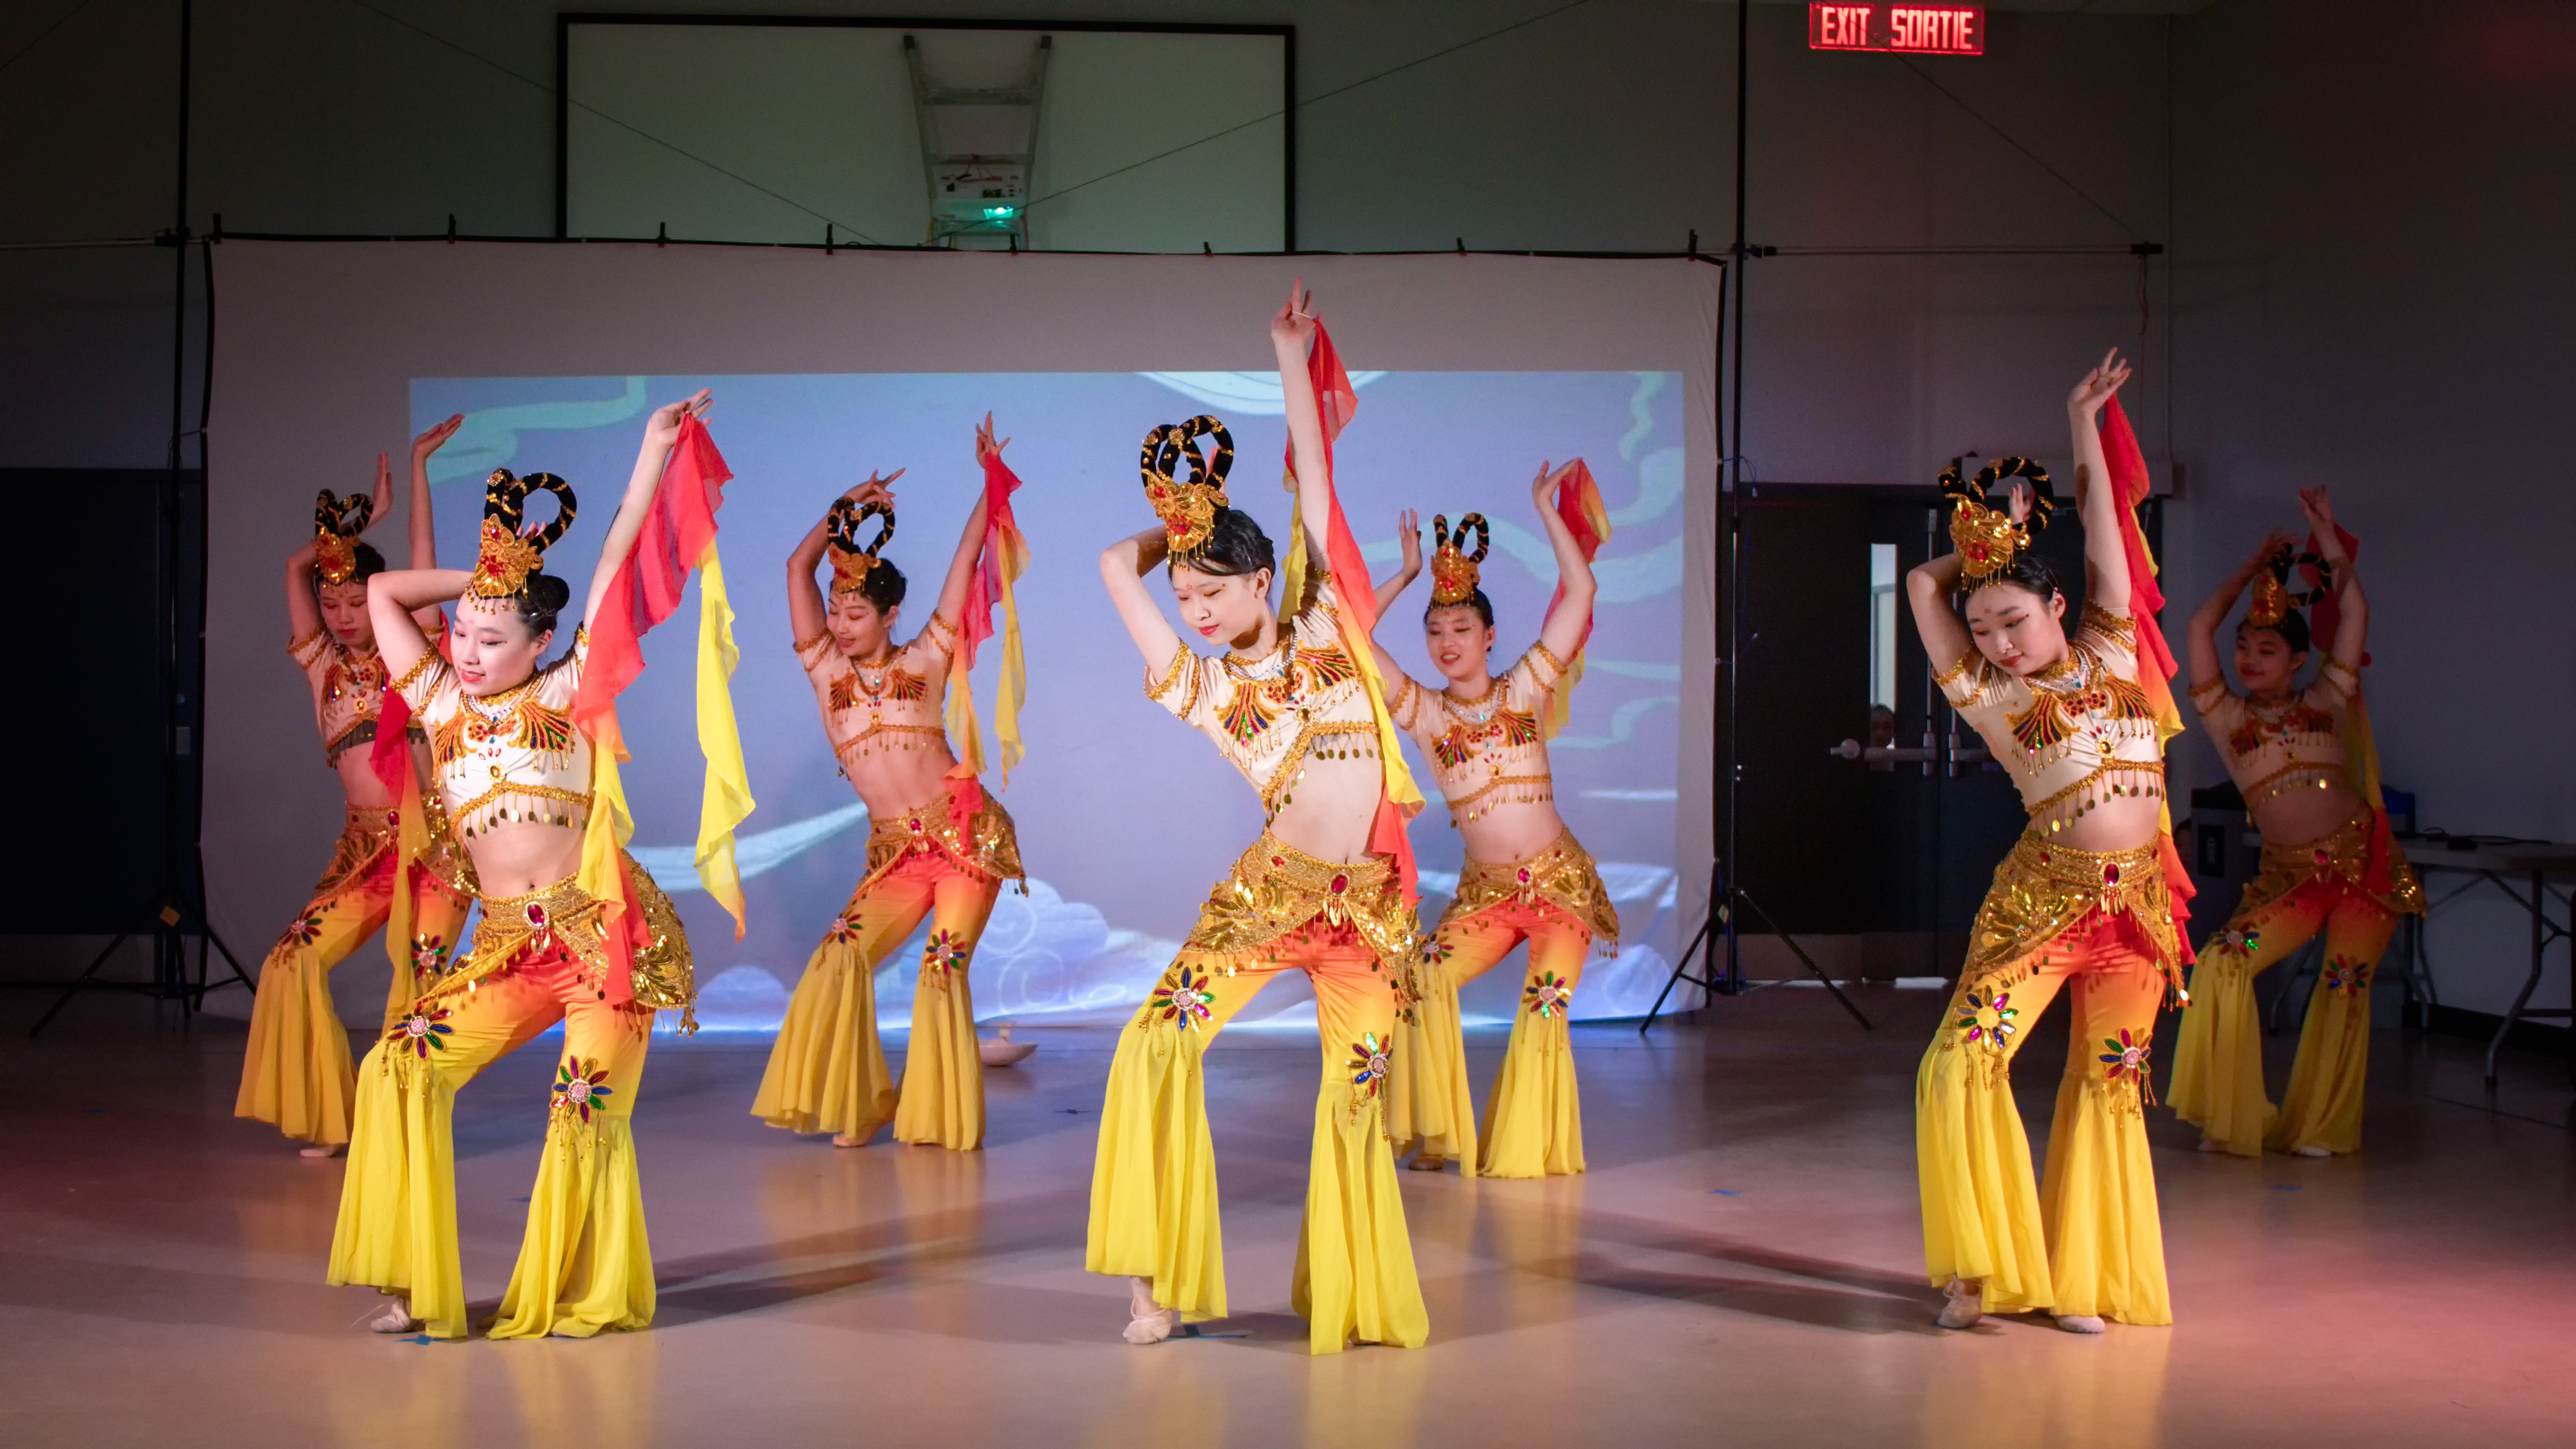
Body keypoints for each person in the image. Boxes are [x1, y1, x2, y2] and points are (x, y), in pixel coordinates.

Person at [1086, 282, 1428, 1354]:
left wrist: (1288, 357)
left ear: (1262, 578)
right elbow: (1108, 567)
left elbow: (1317, 478)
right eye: (1185, 594)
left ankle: (1351, 1293)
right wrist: (1184, 523)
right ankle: (1155, 1284)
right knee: (1151, 1043)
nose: (1194, 609)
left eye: (1213, 589)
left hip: (1366, 911)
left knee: (1356, 1100)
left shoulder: (1328, 617)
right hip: (1270, 895)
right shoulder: (1197, 685)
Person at [326, 394, 713, 1339]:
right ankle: (412, 1277)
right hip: (505, 947)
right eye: (459, 631)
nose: (466, 650)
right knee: (396, 1068)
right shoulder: (437, 698)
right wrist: (495, 576)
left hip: (600, 941)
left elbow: (618, 559)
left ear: (541, 642)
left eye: (492, 638)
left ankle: (580, 1289)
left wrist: (652, 453)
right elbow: (382, 598)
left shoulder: (572, 684)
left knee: (578, 1109)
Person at [1905, 351, 2184, 1334]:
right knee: (1957, 1061)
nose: (1998, 640)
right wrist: (1976, 550)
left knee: (2110, 1081)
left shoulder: (2112, 644)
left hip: (2134, 910)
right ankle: (1977, 1269)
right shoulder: (1991, 697)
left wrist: (2079, 426)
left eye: (2014, 618)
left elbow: (2109, 522)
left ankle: (2080, 1276)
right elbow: (1915, 585)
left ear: (2055, 604)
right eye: (1982, 626)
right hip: (2042, 902)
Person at [751, 417, 1027, 1151]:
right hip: (898, 855)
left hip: (965, 837)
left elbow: (969, 556)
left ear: (889, 614)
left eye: (855, 612)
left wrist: (988, 481)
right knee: (839, 956)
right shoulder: (826, 672)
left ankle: (938, 1122)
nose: (840, 624)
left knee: (942, 971)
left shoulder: (927, 656)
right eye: (835, 611)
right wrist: (840, 510)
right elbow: (792, 569)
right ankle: (865, 1101)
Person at [237, 420, 475, 1157]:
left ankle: (405, 1126)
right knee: (291, 961)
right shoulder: (321, 667)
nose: (342, 616)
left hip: (429, 844)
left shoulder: (415, 651)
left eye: (355, 602)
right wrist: (356, 526)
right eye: (332, 602)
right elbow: (290, 568)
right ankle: (331, 1113)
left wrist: (417, 469)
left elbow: (427, 563)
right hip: (363, 850)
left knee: (421, 980)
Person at [1365, 483, 1617, 1178]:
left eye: (1462, 630)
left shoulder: (1526, 687)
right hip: (1487, 897)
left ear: (1489, 635)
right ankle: (1436, 1130)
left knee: (1543, 1011)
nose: (1447, 643)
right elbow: (1351, 636)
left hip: (1560, 889)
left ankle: (1523, 1149)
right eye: (1435, 631)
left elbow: (1581, 591)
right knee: (1420, 975)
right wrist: (1408, 573)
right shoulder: (1423, 712)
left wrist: (1544, 511)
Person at [2170, 491, 2422, 1157]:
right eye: (2245, 648)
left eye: (2266, 650)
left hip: (2363, 871)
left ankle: (2321, 1127)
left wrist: (2327, 542)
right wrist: (2249, 567)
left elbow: (2357, 610)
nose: (2250, 660)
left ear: (2298, 662)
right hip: (2292, 881)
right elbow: (2197, 629)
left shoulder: (2327, 697)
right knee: (2222, 964)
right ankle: (2230, 1114)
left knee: (2342, 988)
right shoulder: (2226, 715)